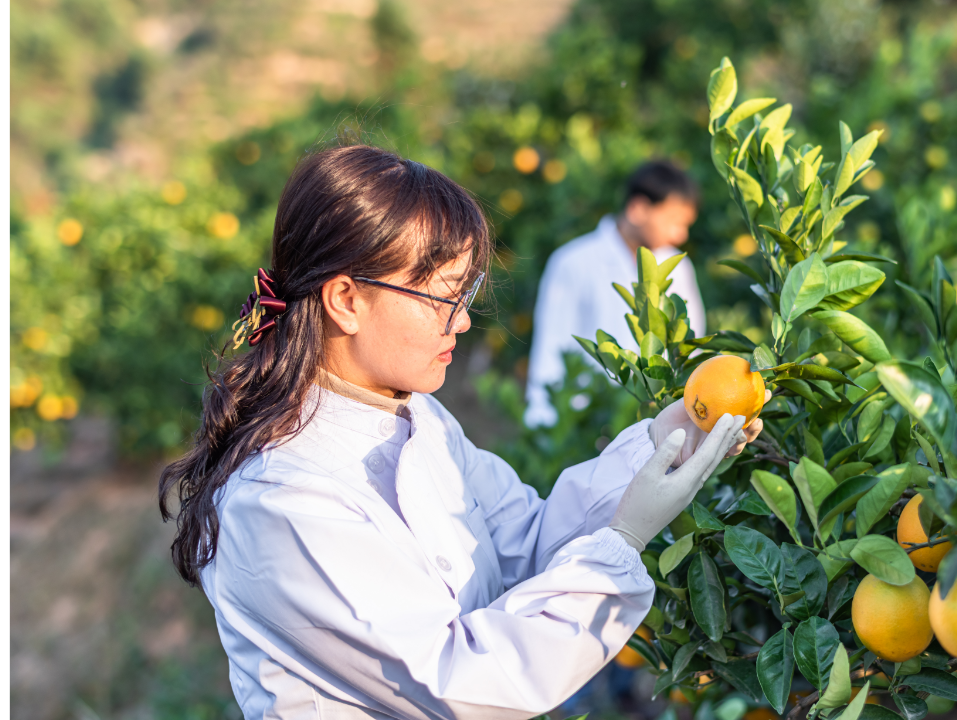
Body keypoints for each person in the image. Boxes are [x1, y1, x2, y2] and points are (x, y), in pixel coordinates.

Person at [158, 145, 764, 720]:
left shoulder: (418, 418)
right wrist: (623, 541)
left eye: (466, 294)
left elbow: (525, 543)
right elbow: (457, 683)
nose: (465, 319)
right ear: (346, 299)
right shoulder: (280, 501)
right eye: (444, 298)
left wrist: (659, 442)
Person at [524, 160, 706, 427]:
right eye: (673, 222)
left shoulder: (678, 267)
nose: (680, 235)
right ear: (638, 209)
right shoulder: (574, 261)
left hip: (658, 422)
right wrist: (544, 427)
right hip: (587, 422)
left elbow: (690, 342)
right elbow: (551, 346)